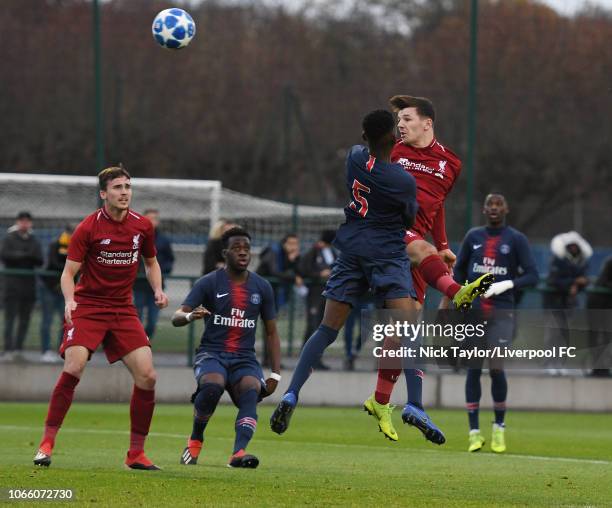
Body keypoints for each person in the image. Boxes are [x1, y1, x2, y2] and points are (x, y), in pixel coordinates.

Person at [270, 109, 421, 436]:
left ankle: (293, 392)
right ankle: (415, 404)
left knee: (326, 329)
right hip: (386, 254)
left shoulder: (353, 158)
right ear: (395, 138)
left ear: (365, 137)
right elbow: (409, 219)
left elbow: (363, 148)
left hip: (351, 251)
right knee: (408, 328)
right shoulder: (402, 180)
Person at [365, 95, 492, 443]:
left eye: (406, 118)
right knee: (405, 320)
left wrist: (445, 244)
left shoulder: (450, 162)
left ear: (427, 123)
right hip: (391, 240)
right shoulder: (391, 152)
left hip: (420, 248)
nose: (400, 125)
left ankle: (381, 401)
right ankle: (456, 290)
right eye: (397, 120)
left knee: (406, 323)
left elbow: (437, 205)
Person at [32, 165, 169, 470]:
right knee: (75, 366)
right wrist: (69, 300)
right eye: (118, 187)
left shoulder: (143, 226)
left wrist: (158, 289)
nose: (125, 193)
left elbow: (151, 262)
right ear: (103, 194)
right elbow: (68, 274)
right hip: (89, 307)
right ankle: (46, 443)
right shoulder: (88, 228)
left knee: (148, 376)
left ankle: (136, 454)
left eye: (128, 187)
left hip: (123, 309)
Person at [172, 226, 281, 468]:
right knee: (213, 385)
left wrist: (275, 374)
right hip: (212, 353)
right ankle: (195, 439)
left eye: (247, 249)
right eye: (236, 248)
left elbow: (272, 331)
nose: (243, 253)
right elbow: (176, 316)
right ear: (225, 253)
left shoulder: (262, 287)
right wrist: (190, 317)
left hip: (244, 357)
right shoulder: (209, 282)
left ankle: (238, 453)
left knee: (252, 389)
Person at [453, 193, 538, 453]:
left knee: (497, 368)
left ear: (506, 209)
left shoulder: (516, 239)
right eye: (489, 204)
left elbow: (533, 275)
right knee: (473, 369)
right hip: (475, 312)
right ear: (484, 209)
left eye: (498, 204)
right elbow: (457, 271)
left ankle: (499, 429)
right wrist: (462, 292)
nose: (493, 208)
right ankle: (473, 433)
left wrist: (507, 283)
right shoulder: (473, 237)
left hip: (502, 311)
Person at [542, 231, 592, 374]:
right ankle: (549, 364)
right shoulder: (558, 259)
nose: (574, 248)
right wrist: (573, 282)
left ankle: (559, 363)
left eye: (576, 246)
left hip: (569, 304)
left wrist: (578, 284)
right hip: (554, 303)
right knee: (552, 334)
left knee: (564, 336)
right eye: (571, 246)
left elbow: (584, 280)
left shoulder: (581, 261)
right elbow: (554, 280)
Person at [0, 210, 43, 361]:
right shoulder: (9, 238)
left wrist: (21, 255)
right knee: (9, 319)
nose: (25, 223)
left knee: (25, 319)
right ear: (17, 222)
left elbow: (38, 259)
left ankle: (18, 349)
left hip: (28, 287)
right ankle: (7, 350)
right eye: (22, 220)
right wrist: (25, 255)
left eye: (27, 221)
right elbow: (6, 256)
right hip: (11, 287)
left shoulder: (34, 240)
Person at [298, 229, 337, 370]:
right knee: (312, 326)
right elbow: (303, 269)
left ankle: (316, 360)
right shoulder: (313, 251)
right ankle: (306, 359)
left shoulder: (332, 252)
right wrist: (319, 274)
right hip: (315, 294)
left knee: (322, 326)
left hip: (328, 294)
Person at [133, 209, 175, 338]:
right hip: (138, 284)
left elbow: (170, 259)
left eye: (154, 218)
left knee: (152, 321)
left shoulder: (163, 240)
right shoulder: (135, 237)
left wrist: (163, 270)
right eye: (149, 218)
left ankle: (146, 341)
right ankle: (137, 342)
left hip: (156, 286)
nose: (152, 221)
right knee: (136, 318)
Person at [39, 224, 74, 362]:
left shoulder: (76, 246)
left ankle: (62, 349)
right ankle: (45, 350)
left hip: (64, 290)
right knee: (47, 319)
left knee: (65, 320)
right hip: (49, 287)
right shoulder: (55, 244)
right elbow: (53, 263)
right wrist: (71, 266)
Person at [587, 256, 612, 377]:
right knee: (596, 337)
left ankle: (604, 368)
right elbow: (604, 282)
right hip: (597, 304)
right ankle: (597, 368)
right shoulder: (610, 262)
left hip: (607, 306)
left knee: (607, 338)